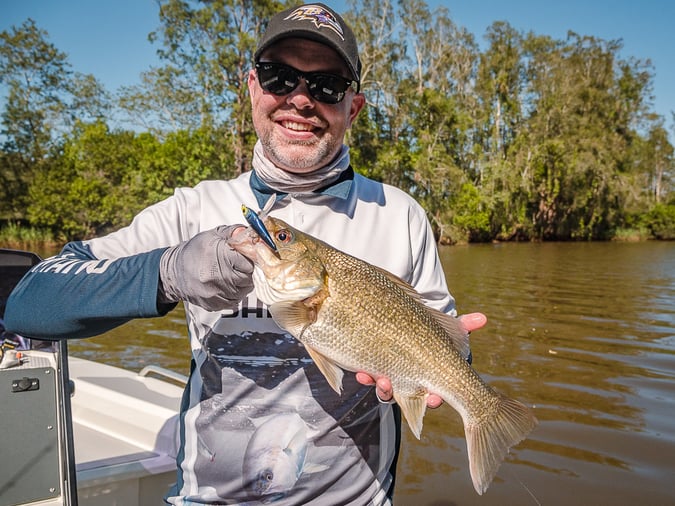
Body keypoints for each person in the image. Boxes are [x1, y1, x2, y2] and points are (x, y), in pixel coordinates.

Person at [5, 3, 486, 504]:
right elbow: (30, 302)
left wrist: (429, 362)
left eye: (326, 87)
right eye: (281, 78)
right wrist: (167, 272)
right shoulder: (193, 209)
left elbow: (451, 345)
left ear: (353, 108)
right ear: (254, 87)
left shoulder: (400, 214)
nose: (301, 99)